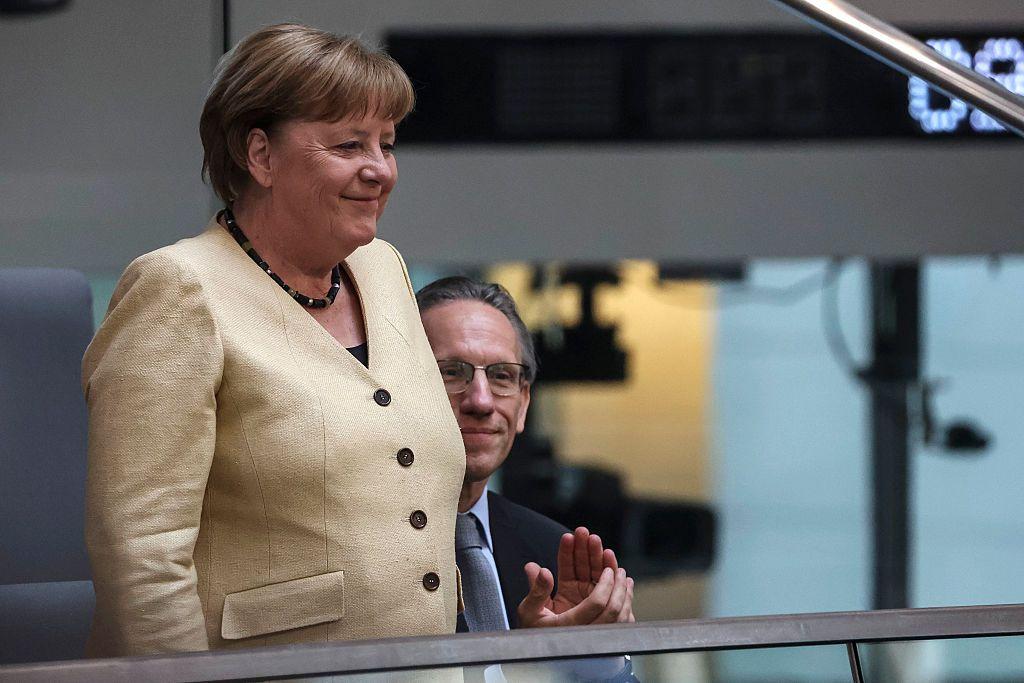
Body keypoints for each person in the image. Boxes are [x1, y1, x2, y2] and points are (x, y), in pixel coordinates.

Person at [82, 25, 465, 657]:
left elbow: (412, 470)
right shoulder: (179, 289)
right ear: (260, 156)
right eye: (348, 145)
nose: (379, 171)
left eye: (387, 144)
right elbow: (141, 554)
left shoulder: (383, 270)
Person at [417, 277, 636, 631]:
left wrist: (589, 658)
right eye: (451, 373)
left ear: (523, 406)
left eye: (502, 376)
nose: (481, 401)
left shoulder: (555, 553)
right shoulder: (352, 547)